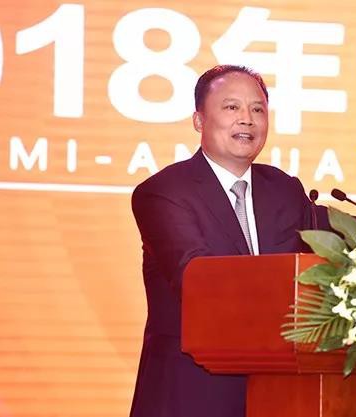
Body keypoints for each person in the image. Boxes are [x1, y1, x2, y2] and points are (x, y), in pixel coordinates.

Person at [128, 65, 328, 417]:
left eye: (257, 109)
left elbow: (342, 239)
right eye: (232, 107)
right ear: (199, 120)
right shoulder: (164, 192)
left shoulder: (284, 189)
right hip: (189, 392)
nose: (247, 119)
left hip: (275, 393)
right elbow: (196, 277)